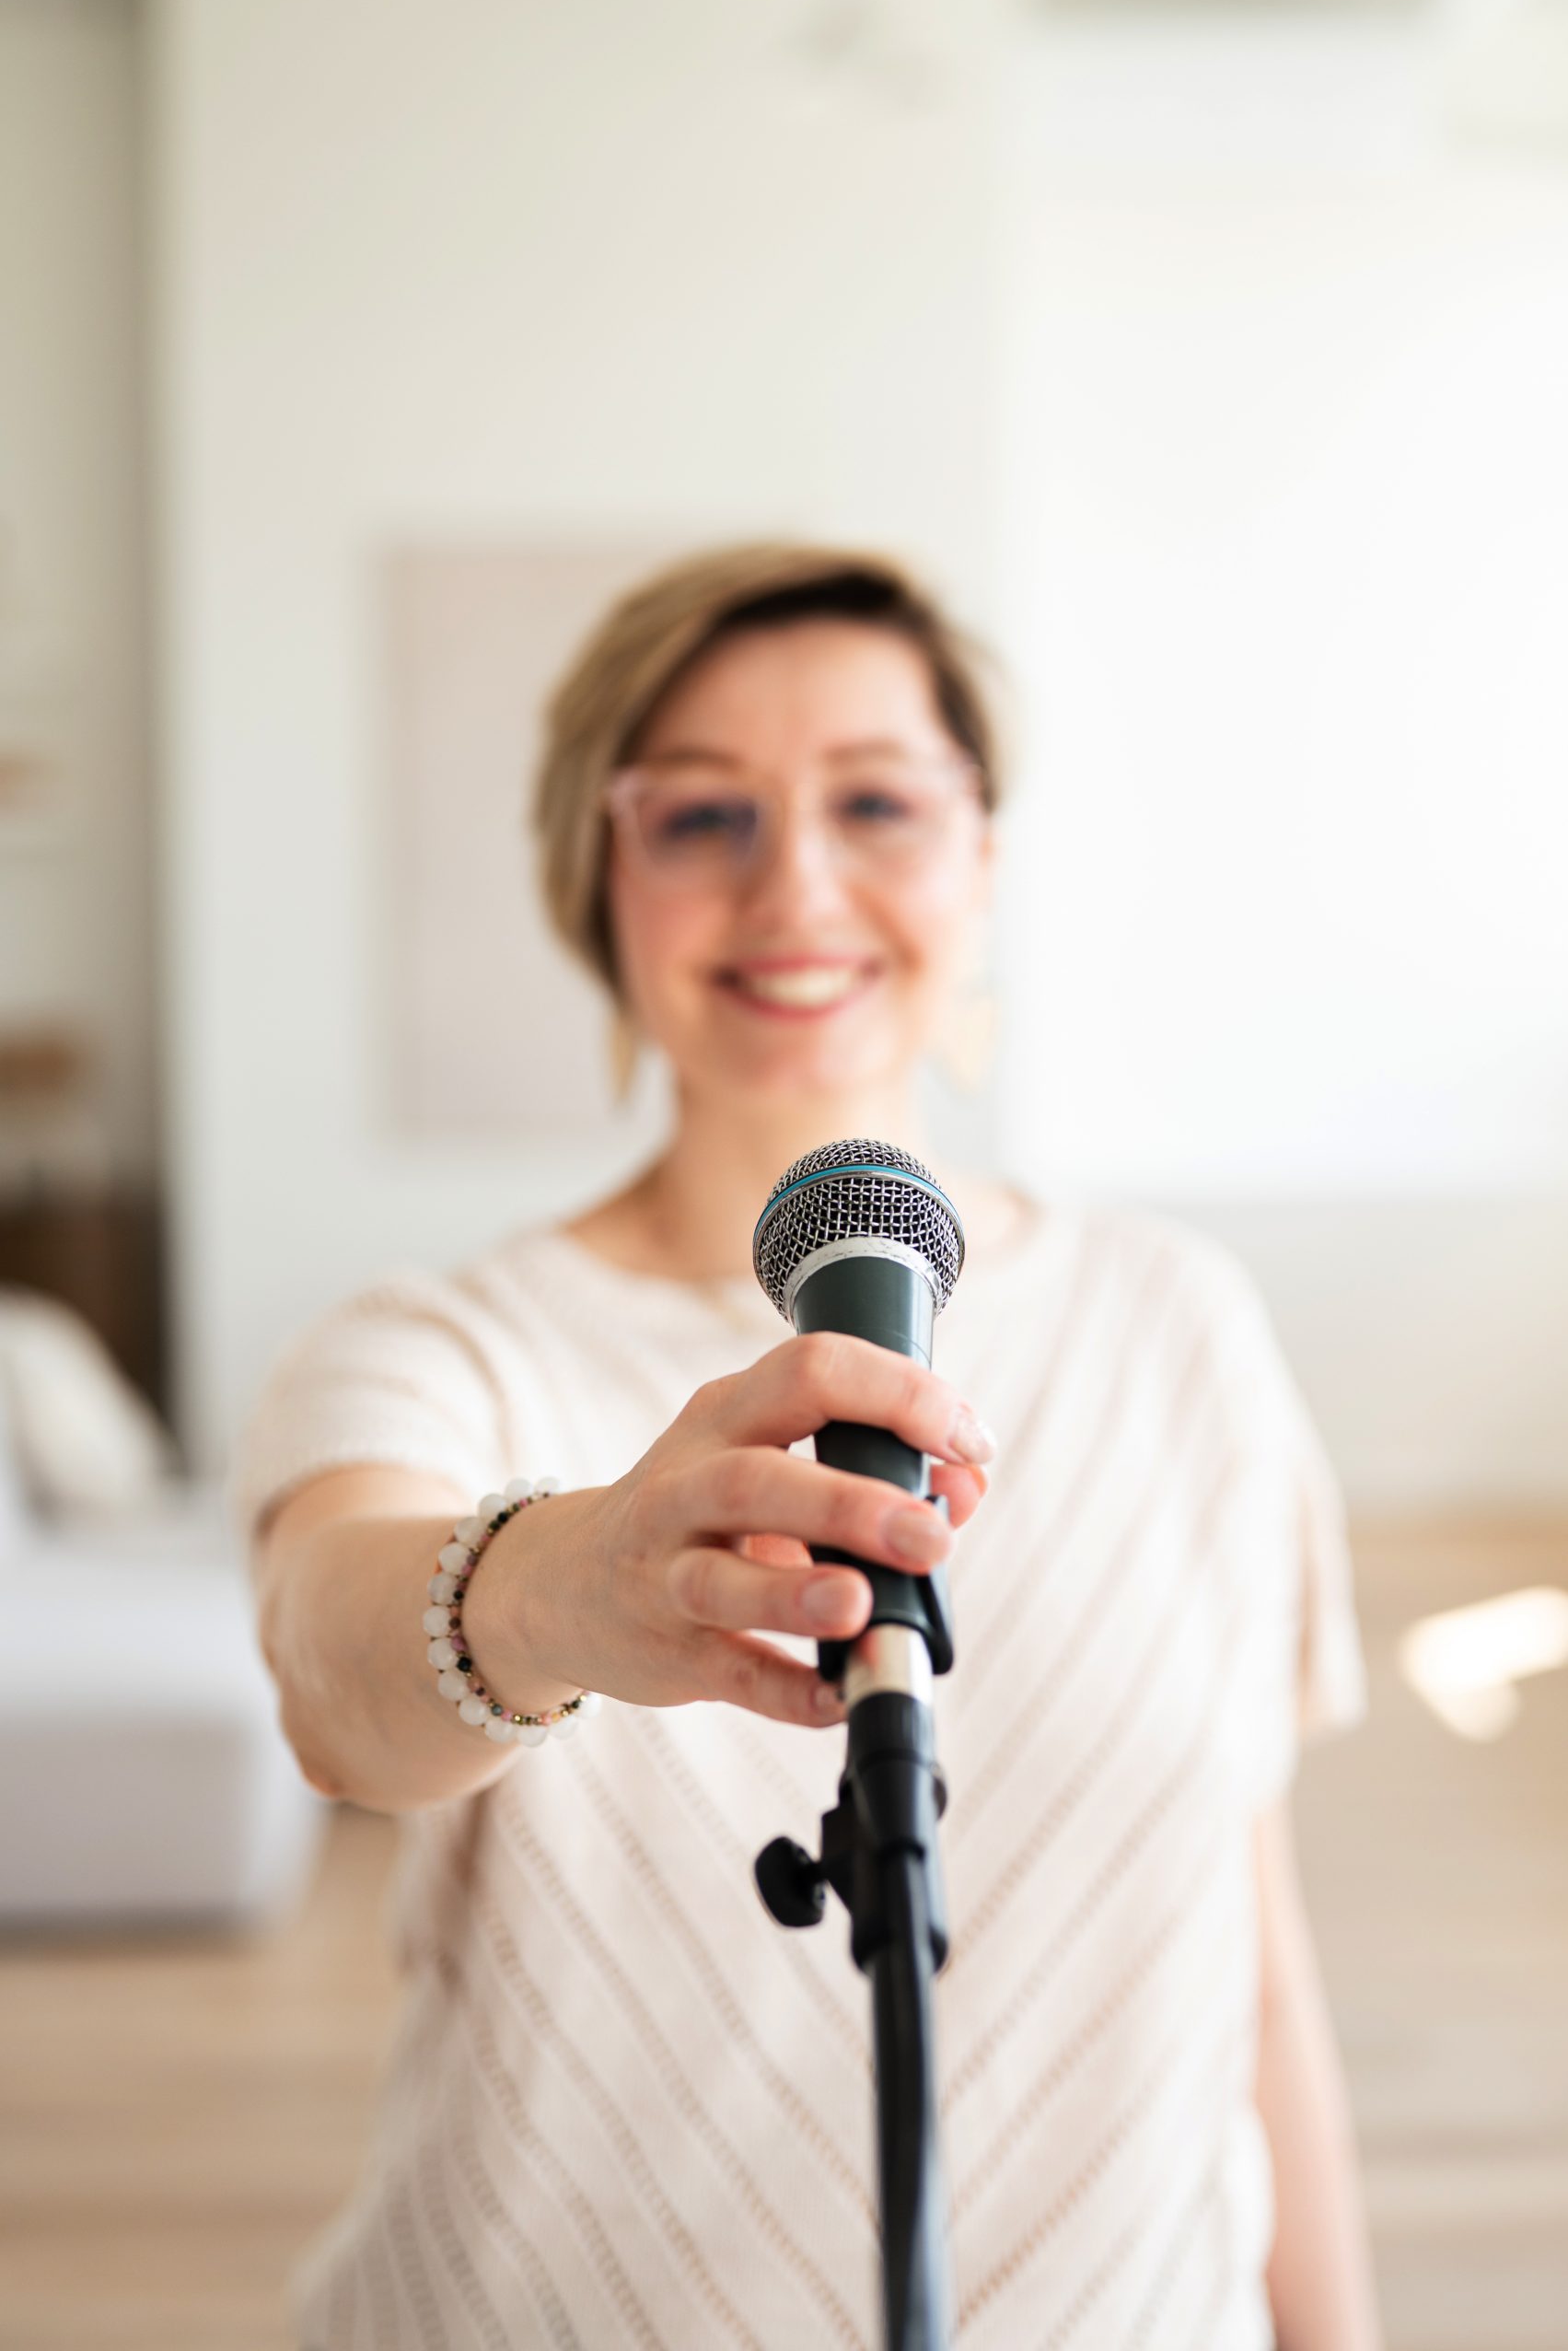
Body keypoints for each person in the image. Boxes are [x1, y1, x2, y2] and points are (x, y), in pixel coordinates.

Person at [237, 541, 1381, 2349]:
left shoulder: (1181, 1321)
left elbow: (1248, 1963)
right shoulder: (439, 1346)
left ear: (982, 859)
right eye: (702, 816)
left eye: (877, 802)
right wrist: (565, 1586)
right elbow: (332, 1673)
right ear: (597, 882)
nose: (797, 884)